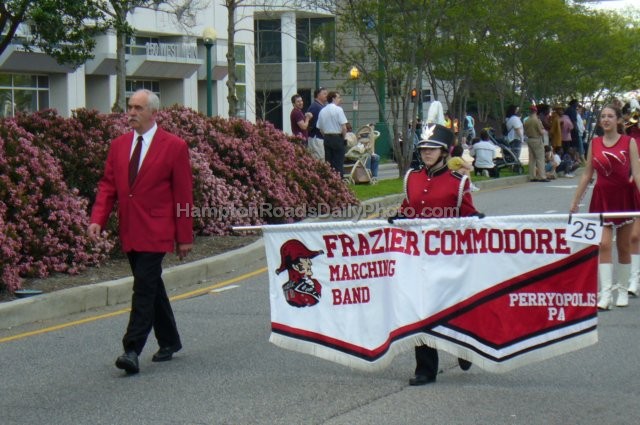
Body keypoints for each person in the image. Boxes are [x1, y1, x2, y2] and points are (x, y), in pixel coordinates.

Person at [88, 89, 194, 374]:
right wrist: (97, 218)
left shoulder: (174, 146)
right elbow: (108, 185)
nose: (131, 113)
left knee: (143, 287)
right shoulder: (119, 145)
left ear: (153, 113)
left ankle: (132, 348)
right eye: (130, 107)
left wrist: (184, 237)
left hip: (157, 230)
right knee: (151, 285)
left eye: (138, 108)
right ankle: (170, 340)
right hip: (131, 229)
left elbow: (184, 196)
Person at [391, 123, 482, 385]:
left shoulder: (459, 181)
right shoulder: (412, 177)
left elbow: (468, 216)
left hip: (449, 256)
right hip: (418, 258)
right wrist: (394, 221)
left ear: (444, 151)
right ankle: (426, 369)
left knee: (452, 307)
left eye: (432, 148)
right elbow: (407, 210)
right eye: (423, 148)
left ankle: (464, 346)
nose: (426, 152)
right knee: (422, 310)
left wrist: (481, 223)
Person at [570, 104, 640, 310]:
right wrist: (575, 201)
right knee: (604, 244)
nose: (606, 119)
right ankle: (606, 293)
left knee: (624, 247)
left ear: (618, 120)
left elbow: (636, 173)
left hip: (625, 199)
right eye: (603, 116)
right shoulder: (595, 143)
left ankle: (622, 290)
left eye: (610, 116)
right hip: (602, 199)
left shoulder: (629, 142)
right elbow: (586, 174)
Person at [317, 91, 348, 175]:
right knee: (338, 162)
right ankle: (339, 181)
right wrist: (344, 138)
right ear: (333, 98)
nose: (340, 99)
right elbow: (344, 127)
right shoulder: (338, 110)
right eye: (338, 97)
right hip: (337, 137)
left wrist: (326, 136)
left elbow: (320, 129)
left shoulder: (322, 111)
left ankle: (331, 181)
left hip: (327, 138)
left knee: (329, 162)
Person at [523, 105, 548, 182]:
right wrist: (544, 131)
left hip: (529, 139)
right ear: (536, 111)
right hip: (537, 139)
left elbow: (525, 131)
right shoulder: (537, 120)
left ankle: (532, 176)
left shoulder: (526, 121)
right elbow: (541, 132)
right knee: (540, 158)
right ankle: (542, 176)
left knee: (532, 159)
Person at [306, 87, 328, 160]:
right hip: (316, 138)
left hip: (317, 138)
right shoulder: (316, 107)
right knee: (319, 159)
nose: (326, 95)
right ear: (318, 95)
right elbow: (311, 125)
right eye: (324, 94)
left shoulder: (319, 106)